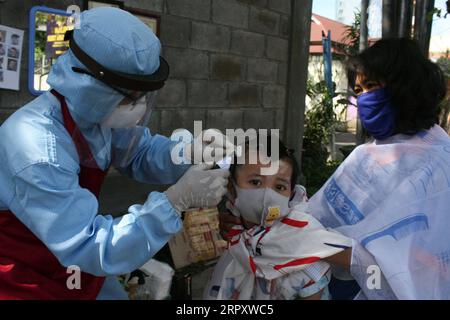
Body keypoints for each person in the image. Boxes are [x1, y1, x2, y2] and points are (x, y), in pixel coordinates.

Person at [0, 7, 230, 300]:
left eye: (144, 96)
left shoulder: (95, 116)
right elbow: (88, 245)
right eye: (130, 98)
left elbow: (138, 152)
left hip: (77, 270)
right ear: (90, 87)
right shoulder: (36, 149)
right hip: (27, 278)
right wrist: (173, 203)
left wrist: (185, 153)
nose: (140, 107)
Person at [220, 38, 449, 300]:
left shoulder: (440, 165)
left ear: (405, 86)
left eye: (371, 86)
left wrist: (317, 245)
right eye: (359, 91)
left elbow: (408, 270)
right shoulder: (368, 153)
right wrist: (248, 218)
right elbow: (318, 215)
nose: (364, 99)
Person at [205, 135, 351, 300]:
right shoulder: (236, 233)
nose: (267, 195)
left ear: (290, 194)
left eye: (279, 186)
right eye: (255, 182)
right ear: (232, 188)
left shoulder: (305, 244)